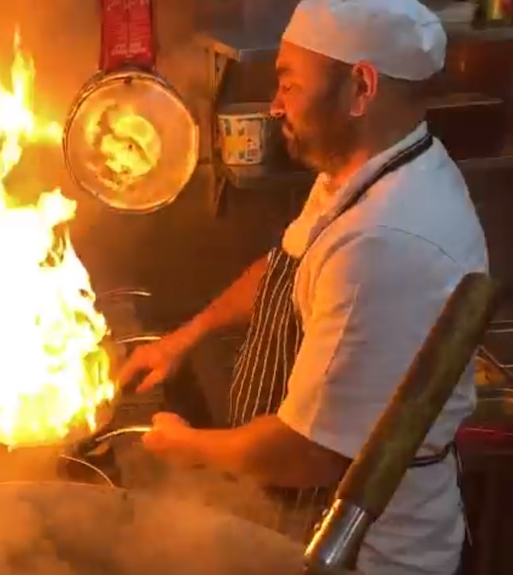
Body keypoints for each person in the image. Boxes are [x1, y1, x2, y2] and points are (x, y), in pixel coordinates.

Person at [117, 1, 488, 574]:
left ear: (360, 87)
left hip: (359, 551)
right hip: (293, 515)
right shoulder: (362, 172)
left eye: (289, 83)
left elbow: (309, 453)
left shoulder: (385, 240)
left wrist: (186, 446)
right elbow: (283, 266)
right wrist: (181, 340)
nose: (274, 105)